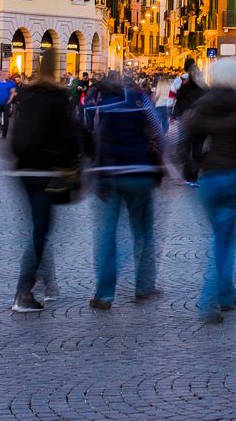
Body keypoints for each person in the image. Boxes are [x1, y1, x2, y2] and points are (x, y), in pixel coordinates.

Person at [183, 58, 236, 322]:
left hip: (209, 179)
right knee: (226, 239)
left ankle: (225, 294)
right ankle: (213, 297)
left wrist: (192, 167)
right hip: (233, 175)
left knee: (219, 236)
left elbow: (185, 139)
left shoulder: (202, 104)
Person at [8, 54, 84, 312]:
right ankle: (23, 291)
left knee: (39, 226)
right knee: (41, 230)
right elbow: (68, 135)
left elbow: (15, 131)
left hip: (22, 171)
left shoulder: (26, 94)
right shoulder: (57, 97)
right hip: (44, 170)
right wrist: (73, 160)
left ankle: (48, 283)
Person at [87, 74, 165, 309]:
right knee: (143, 233)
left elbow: (97, 139)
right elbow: (158, 132)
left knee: (108, 235)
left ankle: (104, 294)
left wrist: (98, 174)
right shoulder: (141, 100)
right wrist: (158, 165)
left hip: (111, 175)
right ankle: (143, 287)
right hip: (140, 172)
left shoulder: (105, 105)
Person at [0, 70, 17, 139]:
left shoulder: (11, 83)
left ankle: (4, 134)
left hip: (6, 103)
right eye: (6, 74)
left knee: (6, 119)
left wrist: (9, 101)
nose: (8, 75)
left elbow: (13, 93)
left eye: (8, 74)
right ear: (3, 75)